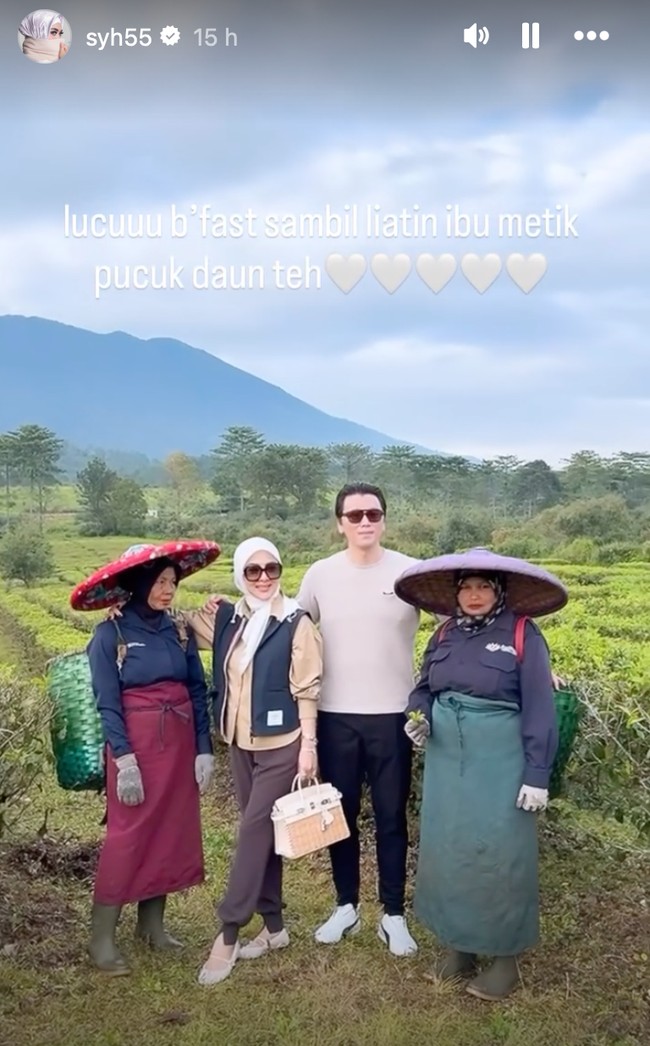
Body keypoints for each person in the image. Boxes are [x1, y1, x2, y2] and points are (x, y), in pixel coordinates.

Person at [395, 547, 567, 1000]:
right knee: (451, 850)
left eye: (484, 587)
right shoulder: (445, 634)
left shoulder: (523, 634)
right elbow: (423, 688)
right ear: (456, 594)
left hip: (500, 764)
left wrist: (537, 774)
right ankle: (460, 946)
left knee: (500, 853)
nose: (474, 595)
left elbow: (540, 708)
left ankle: (505, 959)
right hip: (447, 760)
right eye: (466, 587)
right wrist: (418, 716)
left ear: (500, 591)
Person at [70, 540, 219, 976]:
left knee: (170, 831)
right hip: (136, 750)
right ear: (138, 583)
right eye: (159, 581)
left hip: (178, 746)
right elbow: (107, 703)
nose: (168, 589)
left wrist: (204, 748)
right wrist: (125, 761)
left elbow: (196, 689)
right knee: (128, 836)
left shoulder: (178, 630)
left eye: (173, 581)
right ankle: (101, 939)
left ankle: (152, 927)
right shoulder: (110, 635)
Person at [183, 537, 323, 985]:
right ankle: (275, 927)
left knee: (251, 831)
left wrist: (308, 747)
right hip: (240, 743)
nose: (264, 578)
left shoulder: (296, 621)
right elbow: (177, 625)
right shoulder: (229, 619)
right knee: (263, 835)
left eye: (272, 569)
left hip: (283, 745)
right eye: (253, 570)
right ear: (240, 575)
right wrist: (124, 612)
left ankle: (228, 930)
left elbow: (307, 688)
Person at [296, 483, 421, 956]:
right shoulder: (321, 574)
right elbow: (292, 630)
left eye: (373, 513)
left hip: (393, 716)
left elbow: (460, 619)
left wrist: (530, 659)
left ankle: (393, 914)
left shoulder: (410, 572)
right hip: (335, 717)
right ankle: (345, 905)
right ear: (340, 524)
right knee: (340, 816)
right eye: (355, 515)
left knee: (391, 816)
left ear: (384, 520)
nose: (365, 522)